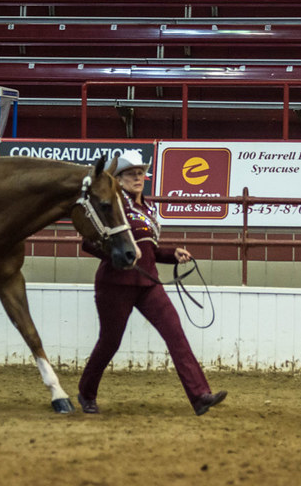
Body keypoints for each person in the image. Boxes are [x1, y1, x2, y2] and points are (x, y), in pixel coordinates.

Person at [78, 150, 228, 416]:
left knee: (175, 333)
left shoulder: (147, 210)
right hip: (115, 283)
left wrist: (172, 254)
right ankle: (86, 392)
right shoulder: (115, 206)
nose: (138, 178)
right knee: (110, 342)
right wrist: (118, 256)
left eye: (140, 173)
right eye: (131, 174)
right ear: (118, 179)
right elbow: (89, 243)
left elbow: (149, 251)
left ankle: (199, 395)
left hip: (148, 283)